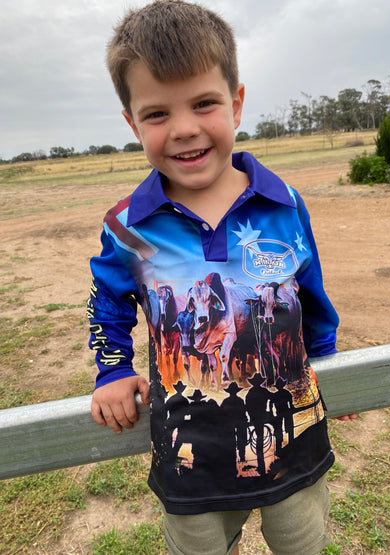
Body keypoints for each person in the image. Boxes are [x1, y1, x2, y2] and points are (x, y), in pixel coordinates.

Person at [87, 2, 357, 554]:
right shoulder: (129, 227)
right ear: (132, 122)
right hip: (193, 462)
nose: (184, 129)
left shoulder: (283, 205)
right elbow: (108, 301)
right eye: (157, 114)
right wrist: (112, 369)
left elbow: (311, 294)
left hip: (295, 444)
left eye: (204, 103)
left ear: (235, 104)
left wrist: (332, 364)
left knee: (302, 545)